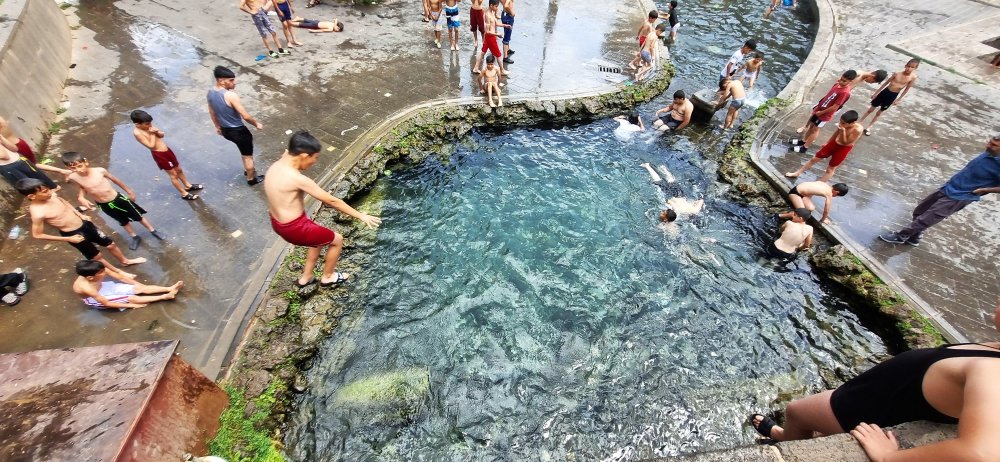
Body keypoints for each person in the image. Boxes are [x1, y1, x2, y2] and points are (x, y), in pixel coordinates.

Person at [751, 298, 1000, 462]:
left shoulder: (991, 370)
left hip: (870, 410)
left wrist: (888, 458)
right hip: (880, 394)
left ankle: (784, 438)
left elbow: (982, 452)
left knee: (796, 411)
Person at [264, 131, 382, 288]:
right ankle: (328, 277)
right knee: (337, 240)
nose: (315, 162)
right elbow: (331, 200)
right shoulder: (298, 179)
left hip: (277, 222)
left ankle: (305, 278)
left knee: (318, 239)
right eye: (315, 158)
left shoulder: (278, 164)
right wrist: (361, 215)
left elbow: (287, 152)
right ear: (304, 156)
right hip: (294, 228)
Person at [880, 134, 1000, 246]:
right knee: (920, 210)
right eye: (989, 142)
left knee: (928, 217)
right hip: (949, 186)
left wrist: (983, 190)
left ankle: (901, 236)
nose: (988, 146)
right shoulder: (989, 153)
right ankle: (915, 236)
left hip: (961, 195)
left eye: (994, 145)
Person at [15, 178, 146, 275]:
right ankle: (118, 272)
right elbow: (37, 235)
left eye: (47, 189)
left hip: (85, 224)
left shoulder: (52, 195)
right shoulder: (38, 213)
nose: (49, 192)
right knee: (97, 256)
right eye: (44, 192)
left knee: (110, 244)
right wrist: (68, 239)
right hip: (73, 234)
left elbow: (64, 202)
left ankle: (125, 261)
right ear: (31, 196)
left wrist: (80, 214)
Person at [62, 151, 164, 250]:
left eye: (80, 166)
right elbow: (83, 187)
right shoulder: (74, 177)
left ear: (85, 162)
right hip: (103, 204)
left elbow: (115, 180)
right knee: (122, 221)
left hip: (118, 199)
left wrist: (129, 191)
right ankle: (134, 236)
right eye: (73, 168)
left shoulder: (99, 171)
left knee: (138, 216)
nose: (78, 170)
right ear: (68, 168)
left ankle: (152, 230)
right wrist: (81, 197)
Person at [207, 66, 266, 186]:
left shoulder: (210, 93)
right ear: (221, 81)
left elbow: (212, 112)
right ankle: (251, 178)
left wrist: (218, 127)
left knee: (243, 151)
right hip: (239, 131)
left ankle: (247, 170)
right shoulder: (230, 96)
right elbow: (245, 116)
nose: (234, 83)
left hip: (226, 131)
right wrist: (256, 124)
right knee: (247, 156)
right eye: (231, 80)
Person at [130, 110, 203, 200]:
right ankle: (183, 193)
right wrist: (152, 134)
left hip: (167, 150)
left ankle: (188, 185)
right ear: (137, 124)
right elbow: (151, 146)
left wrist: (158, 132)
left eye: (150, 123)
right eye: (147, 124)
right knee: (173, 175)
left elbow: (161, 135)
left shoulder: (149, 126)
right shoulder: (137, 133)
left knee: (179, 170)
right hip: (159, 154)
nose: (150, 125)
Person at [789, 70, 857, 153]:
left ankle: (805, 147)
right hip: (819, 109)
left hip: (825, 114)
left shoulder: (845, 92)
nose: (841, 82)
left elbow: (835, 106)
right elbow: (827, 96)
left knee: (815, 129)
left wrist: (822, 112)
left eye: (844, 81)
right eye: (841, 79)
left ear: (851, 81)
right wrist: (818, 106)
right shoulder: (837, 84)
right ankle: (803, 140)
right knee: (811, 125)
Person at [785, 110, 863, 182]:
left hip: (843, 148)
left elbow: (845, 142)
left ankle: (818, 185)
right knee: (814, 159)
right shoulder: (842, 124)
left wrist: (842, 131)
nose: (841, 124)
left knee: (830, 169)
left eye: (843, 123)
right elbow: (836, 133)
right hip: (834, 143)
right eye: (840, 121)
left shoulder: (857, 130)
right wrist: (828, 142)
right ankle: (797, 173)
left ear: (852, 123)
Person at [73, 259, 182, 310]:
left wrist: (139, 286)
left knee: (140, 288)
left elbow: (120, 277)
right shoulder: (86, 288)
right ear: (90, 278)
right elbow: (106, 303)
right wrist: (130, 305)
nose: (104, 272)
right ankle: (165, 296)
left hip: (104, 287)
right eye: (101, 273)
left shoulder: (98, 269)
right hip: (96, 298)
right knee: (131, 298)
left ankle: (169, 288)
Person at [858, 59, 919, 136]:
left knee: (879, 112)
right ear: (905, 66)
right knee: (871, 109)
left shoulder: (912, 77)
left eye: (912, 67)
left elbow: (906, 89)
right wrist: (876, 93)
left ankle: (869, 127)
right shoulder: (897, 73)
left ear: (915, 68)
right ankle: (859, 122)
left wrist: (899, 99)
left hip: (893, 95)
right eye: (908, 66)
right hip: (886, 91)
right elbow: (886, 83)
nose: (909, 68)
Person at [0, 142, 67, 191]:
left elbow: (15, 149)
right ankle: (43, 194)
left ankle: (52, 188)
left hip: (19, 159)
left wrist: (2, 138)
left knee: (39, 175)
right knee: (28, 185)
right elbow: (5, 156)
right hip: (8, 167)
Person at [782, 181, 848, 225]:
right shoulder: (829, 194)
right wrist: (823, 220)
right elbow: (826, 210)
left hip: (801, 192)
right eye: (836, 195)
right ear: (837, 192)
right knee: (803, 215)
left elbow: (812, 189)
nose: (835, 196)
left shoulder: (824, 183)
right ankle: (781, 215)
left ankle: (798, 204)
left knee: (811, 208)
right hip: (795, 194)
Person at [472, 0, 509, 76]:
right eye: (496, 6)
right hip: (490, 38)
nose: (497, 8)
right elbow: (487, 31)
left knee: (482, 53)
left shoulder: (492, 12)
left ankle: (476, 68)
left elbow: (496, 23)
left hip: (489, 37)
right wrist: (497, 34)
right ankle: (502, 70)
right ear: (491, 5)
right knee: (498, 54)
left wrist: (504, 25)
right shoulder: (487, 15)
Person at [500, 0, 516, 64]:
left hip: (504, 14)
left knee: (506, 33)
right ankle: (505, 57)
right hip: (508, 17)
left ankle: (508, 50)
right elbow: (506, 5)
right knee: (506, 37)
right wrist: (511, 12)